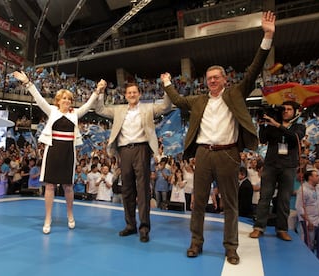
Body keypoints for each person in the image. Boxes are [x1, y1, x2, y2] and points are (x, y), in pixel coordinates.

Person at [160, 10, 276, 265]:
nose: (212, 81)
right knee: (198, 203)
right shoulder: (199, 100)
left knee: (230, 204)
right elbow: (178, 100)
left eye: (216, 78)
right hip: (203, 153)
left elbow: (254, 70)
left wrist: (267, 37)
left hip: (228, 153)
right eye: (209, 78)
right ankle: (195, 242)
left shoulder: (235, 93)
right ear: (206, 81)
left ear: (224, 79)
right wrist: (167, 83)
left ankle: (231, 247)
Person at [13, 70, 105, 234]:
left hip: (69, 152)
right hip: (53, 150)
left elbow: (89, 104)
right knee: (50, 186)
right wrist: (27, 82)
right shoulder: (52, 111)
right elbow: (38, 98)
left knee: (68, 187)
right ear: (58, 101)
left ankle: (70, 215)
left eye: (69, 99)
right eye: (64, 98)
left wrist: (97, 90)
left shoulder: (75, 114)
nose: (67, 101)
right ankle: (48, 218)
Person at [95, 81, 171, 243]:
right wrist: (101, 91)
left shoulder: (148, 108)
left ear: (139, 94)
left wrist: (167, 87)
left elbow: (165, 107)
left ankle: (144, 228)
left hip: (142, 149)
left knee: (143, 190)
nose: (132, 95)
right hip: (124, 151)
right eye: (129, 93)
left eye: (134, 92)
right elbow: (100, 109)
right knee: (127, 190)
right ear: (125, 95)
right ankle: (130, 225)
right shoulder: (119, 110)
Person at [249, 100, 306, 241]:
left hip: (288, 166)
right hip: (271, 164)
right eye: (284, 109)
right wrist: (262, 125)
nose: (285, 111)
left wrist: (277, 125)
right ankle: (259, 227)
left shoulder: (299, 126)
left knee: (284, 199)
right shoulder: (273, 124)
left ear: (295, 112)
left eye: (289, 109)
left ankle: (282, 229)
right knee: (265, 196)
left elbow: (295, 138)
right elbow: (263, 139)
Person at [295, 170, 319, 269]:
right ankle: (308, 267)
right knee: (308, 245)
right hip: (308, 222)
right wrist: (308, 221)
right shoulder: (303, 190)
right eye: (317, 176)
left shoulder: (317, 189)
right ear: (310, 177)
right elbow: (299, 207)